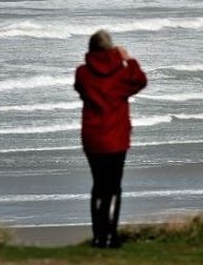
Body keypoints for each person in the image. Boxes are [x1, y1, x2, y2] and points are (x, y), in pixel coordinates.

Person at [74, 30, 147, 248]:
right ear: (112, 49)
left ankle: (98, 236)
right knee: (114, 186)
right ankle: (111, 236)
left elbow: (80, 89)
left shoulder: (83, 73)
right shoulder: (122, 74)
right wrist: (128, 59)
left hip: (93, 138)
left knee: (98, 185)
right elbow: (140, 81)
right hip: (116, 137)